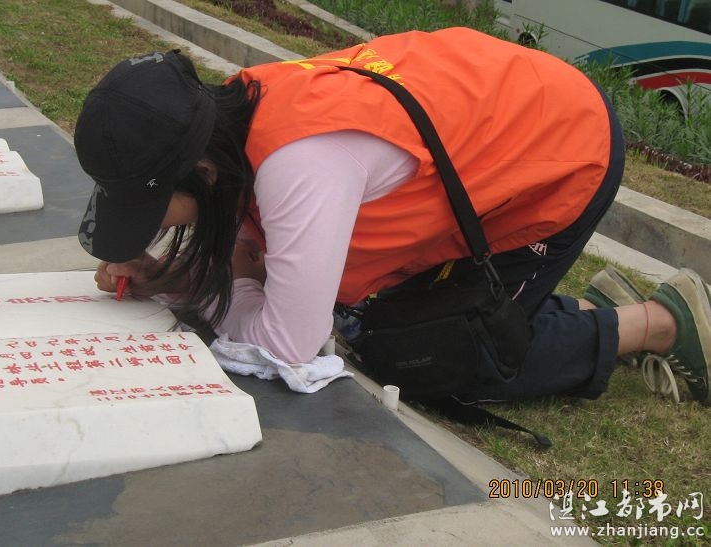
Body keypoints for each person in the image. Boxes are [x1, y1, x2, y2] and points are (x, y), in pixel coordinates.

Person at [73, 27, 711, 404]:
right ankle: (595, 306)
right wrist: (178, 276)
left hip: (558, 149)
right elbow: (259, 268)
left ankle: (659, 323)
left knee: (435, 356)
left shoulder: (303, 162)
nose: (158, 228)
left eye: (156, 210)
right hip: (497, 114)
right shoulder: (229, 117)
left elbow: (287, 344)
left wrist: (223, 284)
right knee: (378, 321)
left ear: (203, 172)